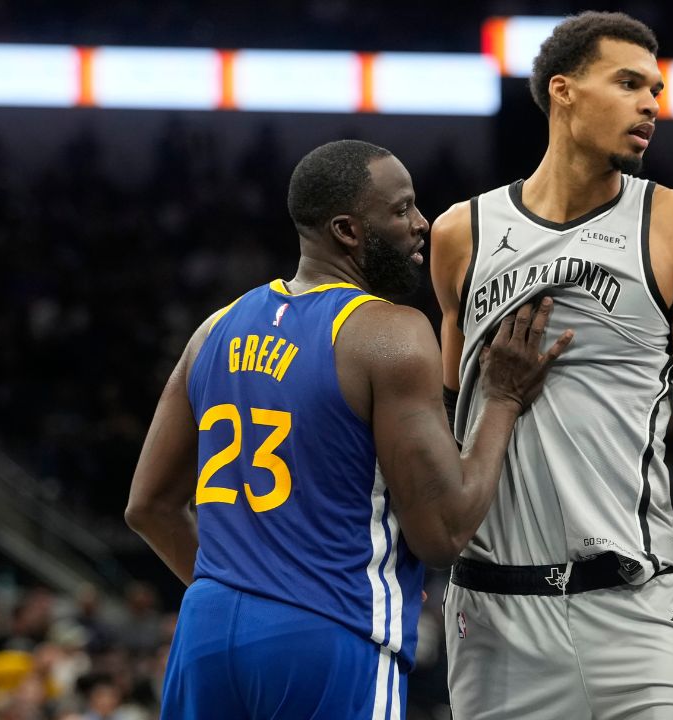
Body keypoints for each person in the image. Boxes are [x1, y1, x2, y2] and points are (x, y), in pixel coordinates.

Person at [125, 140, 572, 719]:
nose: (422, 223)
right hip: (327, 632)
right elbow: (443, 530)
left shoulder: (213, 329)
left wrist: (247, 596)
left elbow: (148, 507)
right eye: (402, 209)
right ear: (347, 231)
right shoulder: (387, 333)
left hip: (205, 635)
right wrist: (503, 399)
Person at [430, 12, 673, 720]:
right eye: (629, 84)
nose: (651, 105)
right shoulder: (460, 234)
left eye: (656, 90)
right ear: (564, 90)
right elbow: (442, 435)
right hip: (495, 620)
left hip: (641, 608)